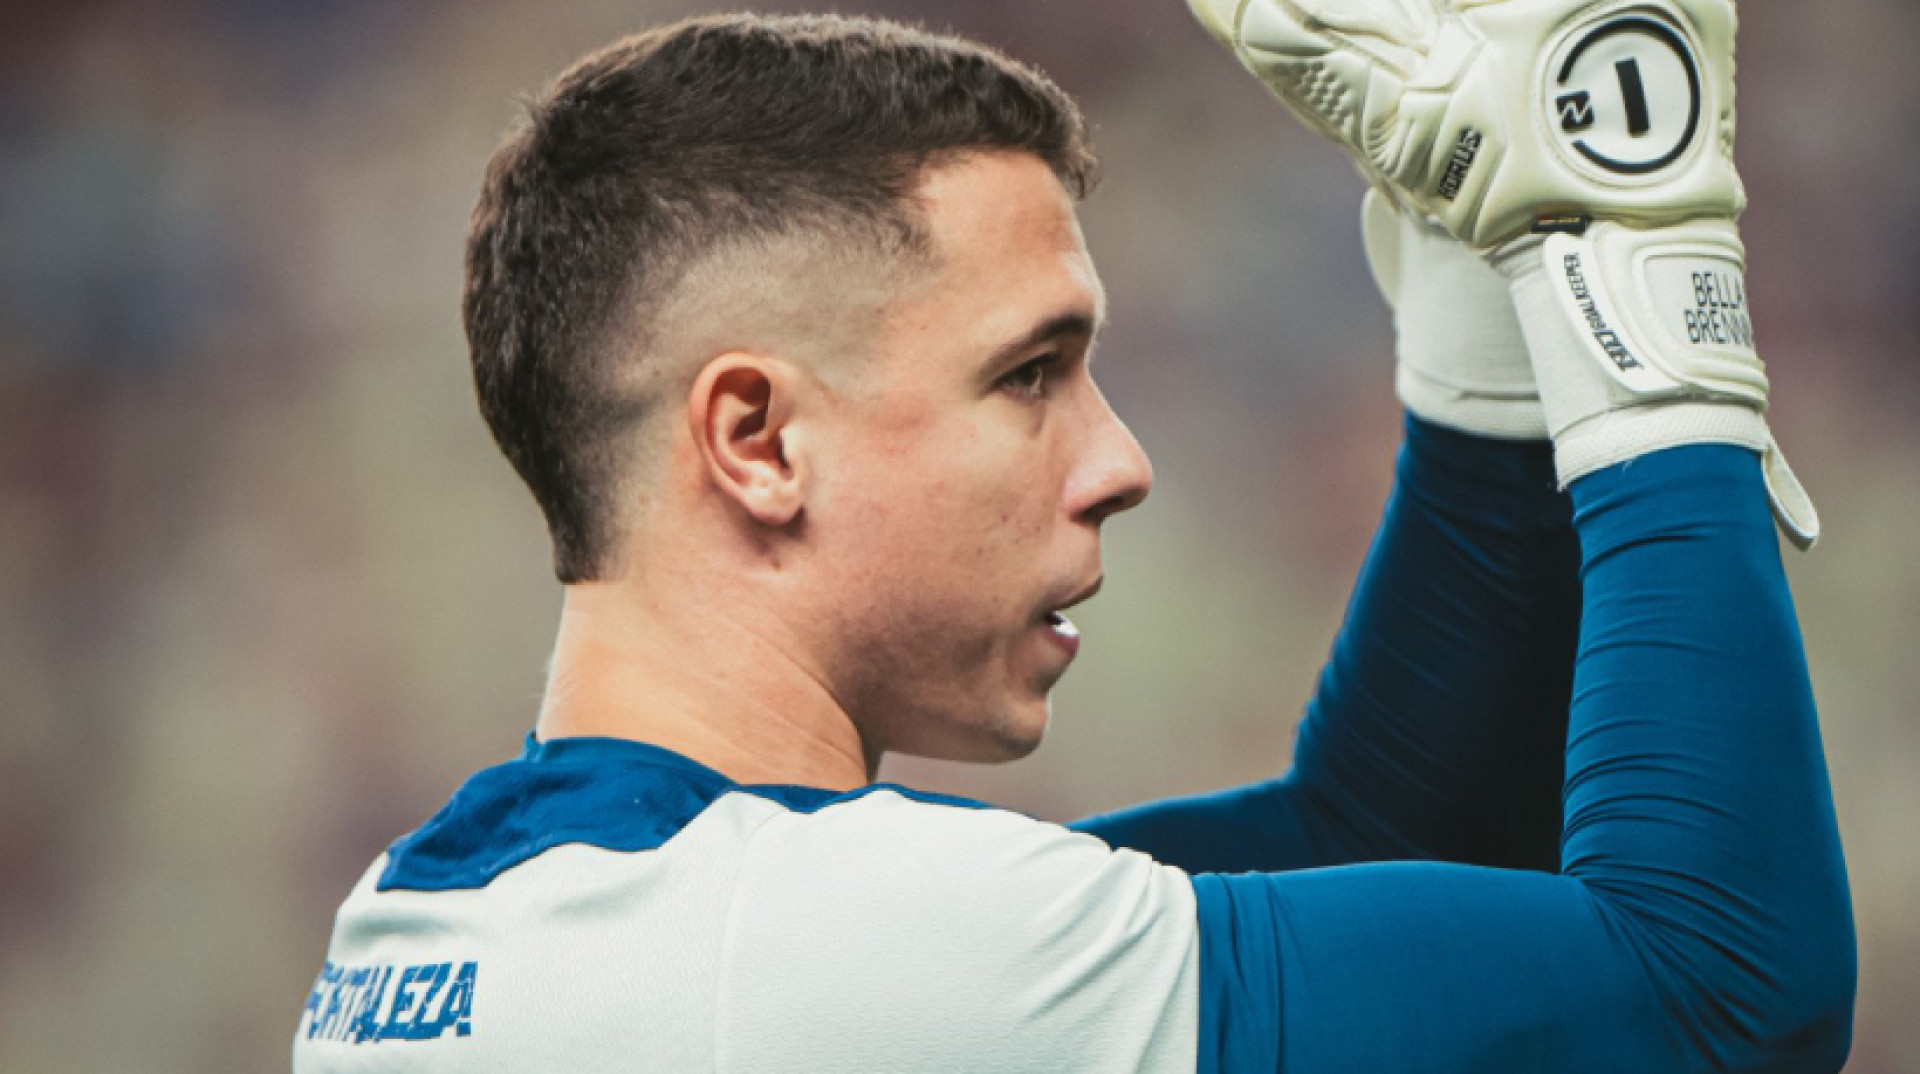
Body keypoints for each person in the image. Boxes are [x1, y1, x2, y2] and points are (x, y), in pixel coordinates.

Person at [293, 7, 1854, 1071]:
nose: (1120, 462)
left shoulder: (445, 922)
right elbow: (1723, 989)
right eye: (1029, 374)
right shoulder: (808, 945)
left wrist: (1475, 255)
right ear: (757, 440)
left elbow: (1384, 832)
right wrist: (1635, 244)